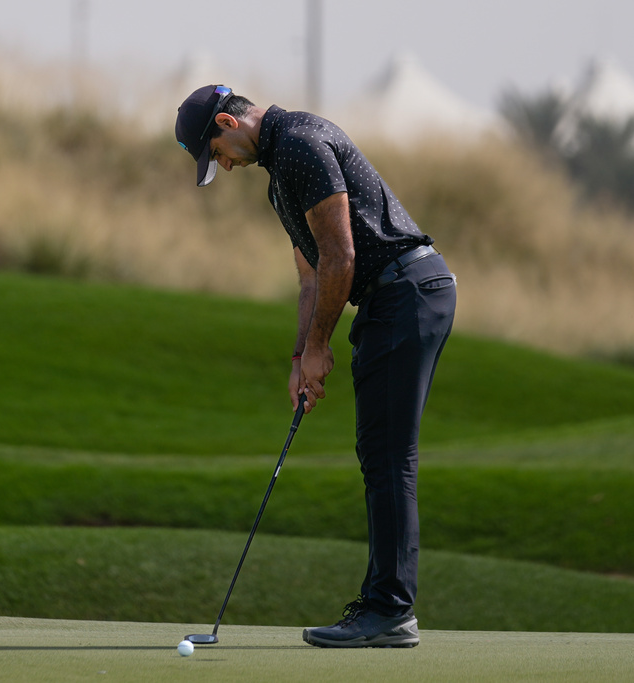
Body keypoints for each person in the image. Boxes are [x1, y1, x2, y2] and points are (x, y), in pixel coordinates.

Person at [175, 85, 457, 648]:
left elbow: (341, 256)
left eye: (219, 153)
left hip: (407, 293)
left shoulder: (301, 144)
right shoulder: (280, 175)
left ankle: (389, 611)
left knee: (387, 456)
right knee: (378, 454)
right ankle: (386, 607)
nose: (225, 167)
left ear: (229, 122)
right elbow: (310, 276)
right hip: (390, 300)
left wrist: (322, 345)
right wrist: (301, 356)